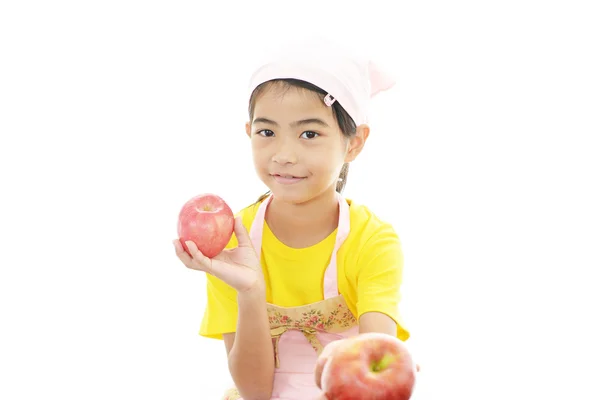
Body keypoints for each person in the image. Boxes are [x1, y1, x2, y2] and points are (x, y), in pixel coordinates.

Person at [173, 37, 415, 400]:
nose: (284, 155)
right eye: (267, 132)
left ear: (354, 143)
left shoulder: (372, 240)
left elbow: (373, 372)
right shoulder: (230, 242)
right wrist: (250, 291)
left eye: (309, 134)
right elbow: (254, 392)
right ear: (249, 132)